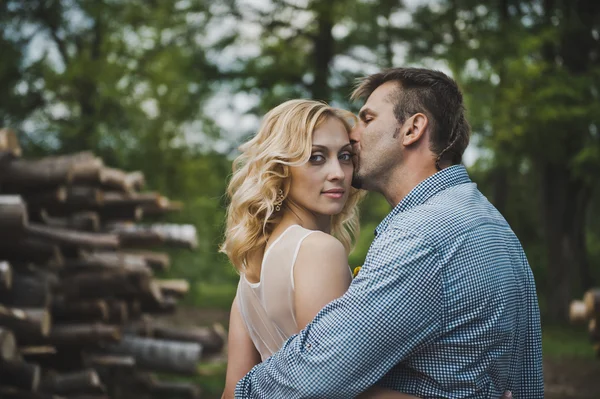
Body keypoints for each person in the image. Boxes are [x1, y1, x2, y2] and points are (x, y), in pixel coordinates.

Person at [233, 68, 544, 398]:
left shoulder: (422, 236)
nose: (355, 134)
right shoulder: (494, 224)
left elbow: (322, 372)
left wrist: (245, 393)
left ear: (412, 129)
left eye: (367, 118)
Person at [220, 99, 416, 399]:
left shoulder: (248, 278)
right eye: (316, 158)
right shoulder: (318, 250)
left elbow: (233, 393)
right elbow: (332, 388)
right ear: (281, 168)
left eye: (346, 156)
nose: (338, 172)